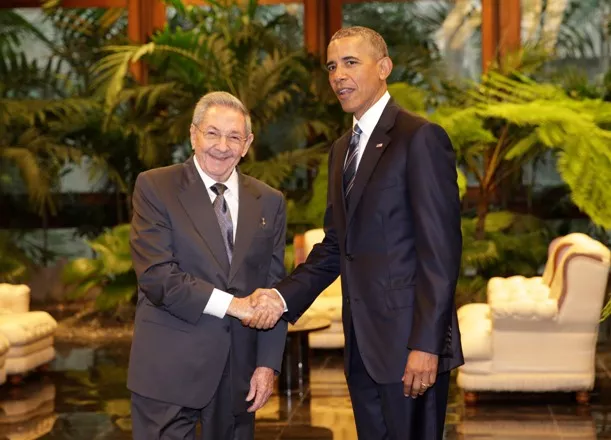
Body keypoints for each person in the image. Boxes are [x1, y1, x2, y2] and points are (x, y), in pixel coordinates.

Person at [245, 26, 464, 440]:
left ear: (384, 68)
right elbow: (336, 248)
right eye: (331, 66)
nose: (338, 75)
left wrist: (427, 346)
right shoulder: (342, 149)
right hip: (362, 349)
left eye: (350, 62)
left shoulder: (420, 138)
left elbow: (441, 254)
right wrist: (279, 297)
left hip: (408, 349)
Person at [128, 91, 288, 440]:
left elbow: (275, 289)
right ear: (193, 134)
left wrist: (267, 365)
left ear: (247, 144)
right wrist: (235, 305)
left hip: (239, 376)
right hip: (168, 370)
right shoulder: (156, 187)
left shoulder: (270, 202)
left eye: (234, 136)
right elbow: (157, 277)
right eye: (212, 132)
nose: (222, 145)